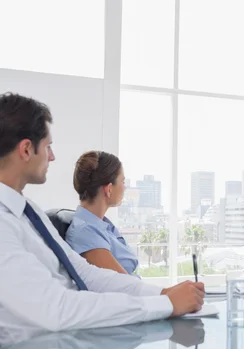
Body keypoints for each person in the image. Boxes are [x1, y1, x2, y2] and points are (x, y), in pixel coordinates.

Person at [0, 92, 205, 334]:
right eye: (48, 146)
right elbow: (58, 309)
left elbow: (87, 274)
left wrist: (163, 294)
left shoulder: (28, 211)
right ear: (26, 149)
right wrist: (165, 304)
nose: (52, 156)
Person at [66, 151, 139, 276]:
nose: (125, 188)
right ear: (109, 189)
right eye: (122, 182)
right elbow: (124, 285)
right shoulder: (85, 233)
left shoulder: (102, 225)